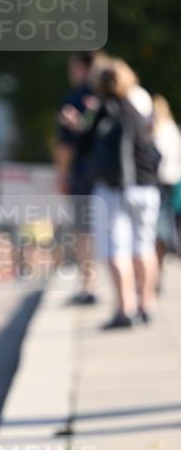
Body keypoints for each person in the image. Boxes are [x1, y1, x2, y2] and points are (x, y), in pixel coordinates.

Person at [63, 60, 160, 328]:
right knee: (144, 246)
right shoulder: (137, 106)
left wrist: (77, 125)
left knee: (116, 249)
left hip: (114, 187)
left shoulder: (101, 110)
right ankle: (146, 304)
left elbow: (83, 143)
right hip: (145, 185)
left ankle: (125, 308)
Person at [54, 52, 100, 305]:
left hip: (84, 172)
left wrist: (61, 174)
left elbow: (65, 146)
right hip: (116, 174)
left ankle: (88, 286)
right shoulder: (111, 96)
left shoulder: (73, 101)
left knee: (85, 231)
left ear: (82, 68)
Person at [151, 94, 181, 286]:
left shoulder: (160, 131)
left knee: (159, 232)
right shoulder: (173, 129)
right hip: (174, 182)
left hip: (162, 184)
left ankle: (157, 274)